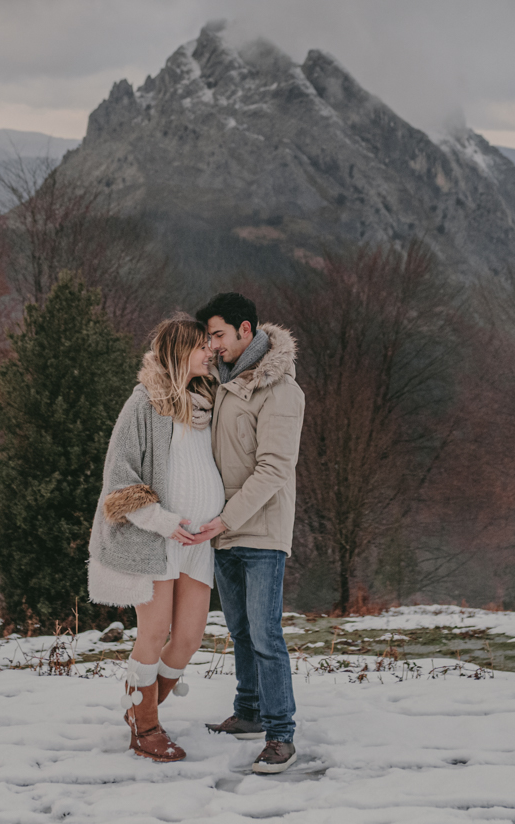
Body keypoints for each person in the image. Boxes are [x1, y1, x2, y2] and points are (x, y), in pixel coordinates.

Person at [87, 316, 227, 763]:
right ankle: (145, 728)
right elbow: (119, 480)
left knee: (187, 638)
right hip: (159, 539)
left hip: (198, 542)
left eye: (211, 344)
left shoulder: (207, 402)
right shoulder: (144, 404)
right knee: (154, 632)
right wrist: (164, 522)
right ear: (178, 351)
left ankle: (139, 707)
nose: (210, 352)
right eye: (202, 346)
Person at [194, 290, 305, 775]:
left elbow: (274, 468)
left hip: (258, 530)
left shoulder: (281, 390)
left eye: (218, 334)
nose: (213, 345)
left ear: (245, 329)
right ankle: (249, 712)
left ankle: (281, 735)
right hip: (224, 528)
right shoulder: (220, 384)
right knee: (239, 630)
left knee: (265, 633)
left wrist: (226, 518)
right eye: (208, 338)